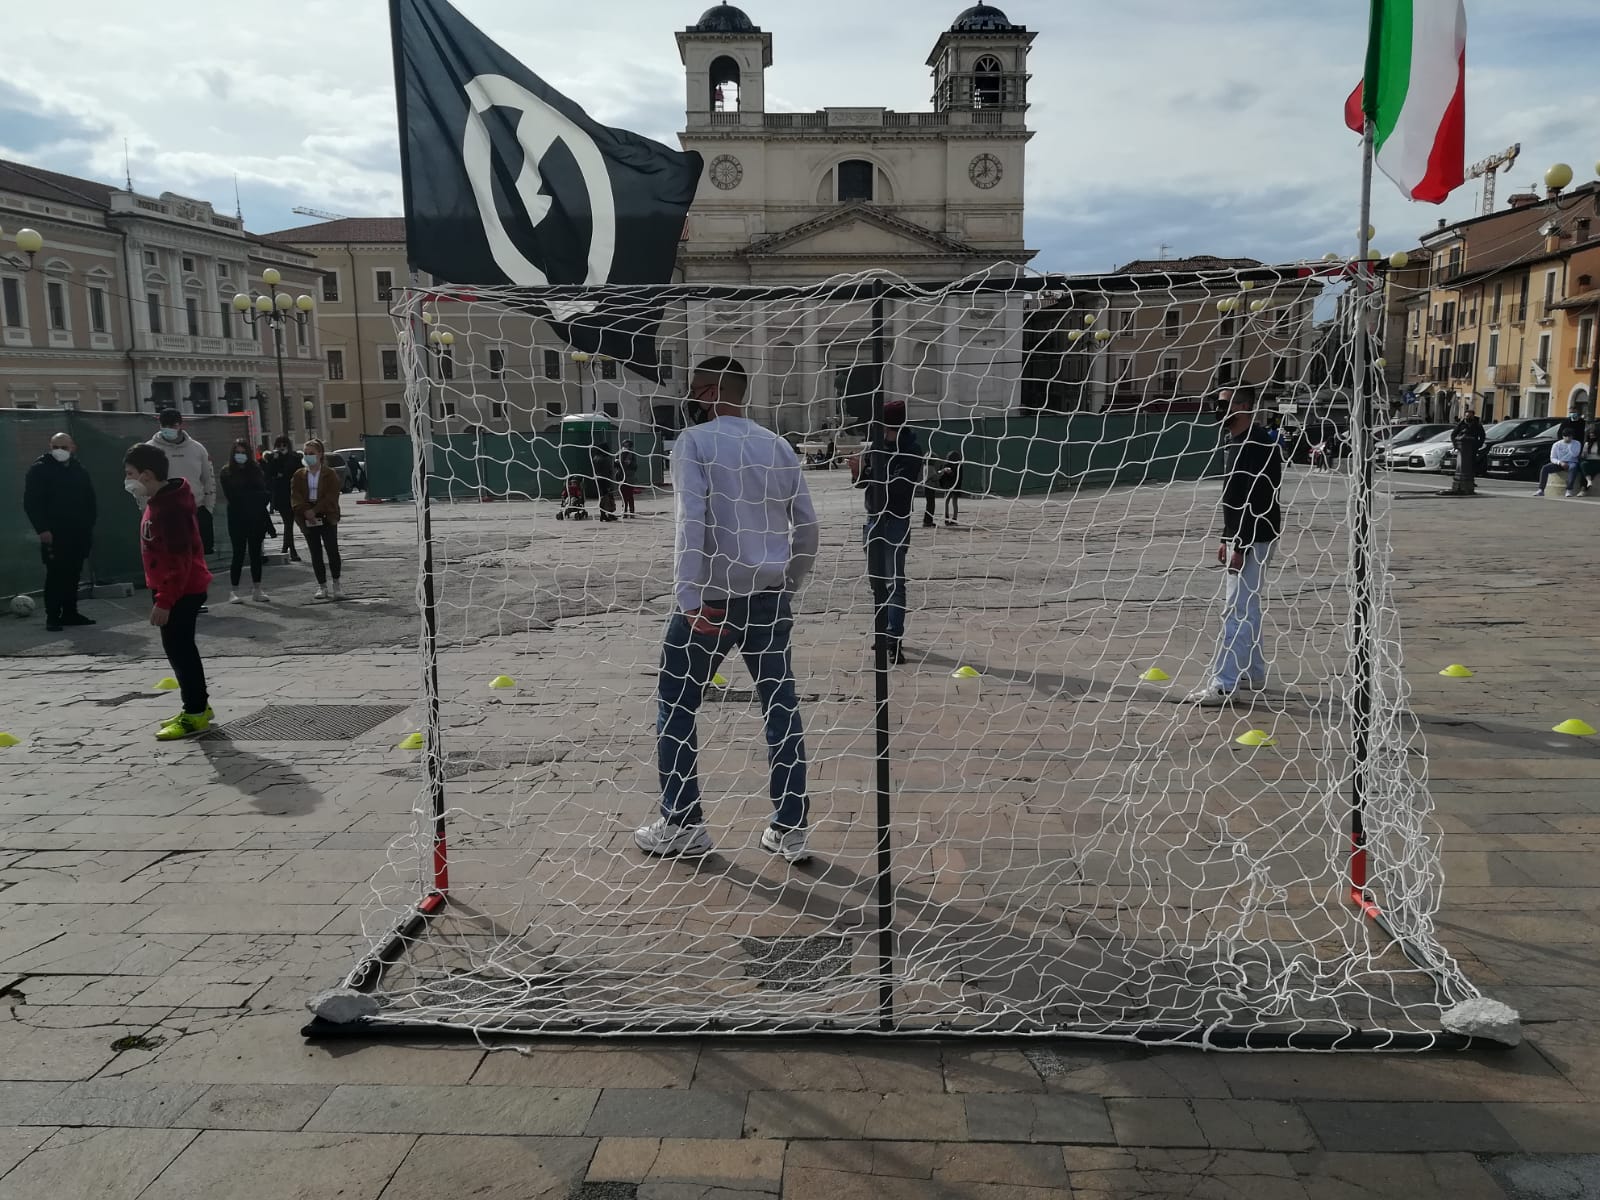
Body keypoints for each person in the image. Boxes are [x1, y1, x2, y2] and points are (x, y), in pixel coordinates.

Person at [634, 356, 820, 865]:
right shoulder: (777, 444)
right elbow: (806, 526)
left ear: (714, 391)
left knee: (676, 703)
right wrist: (789, 581)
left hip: (712, 600)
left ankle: (682, 821)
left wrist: (688, 596)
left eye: (696, 390)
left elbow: (690, 521)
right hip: (768, 597)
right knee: (780, 706)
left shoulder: (695, 442)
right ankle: (791, 827)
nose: (691, 399)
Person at [1188, 389, 1282, 707]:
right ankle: (1252, 673)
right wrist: (1225, 537)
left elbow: (1255, 500)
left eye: (1224, 404)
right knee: (1248, 607)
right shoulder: (1236, 441)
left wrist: (1239, 543)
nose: (1218, 409)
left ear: (1243, 407)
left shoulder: (1256, 444)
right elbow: (1234, 498)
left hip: (1253, 537)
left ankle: (1224, 684)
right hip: (1245, 536)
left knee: (1235, 610)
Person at [123, 443, 213, 741]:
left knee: (180, 649)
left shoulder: (171, 507)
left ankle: (195, 712)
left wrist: (164, 601)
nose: (128, 480)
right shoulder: (159, 500)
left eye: (131, 474)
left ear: (147, 475)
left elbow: (178, 560)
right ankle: (198, 705)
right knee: (179, 648)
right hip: (172, 588)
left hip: (181, 589)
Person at [856, 398, 923, 665]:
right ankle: (882, 632)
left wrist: (871, 473)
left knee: (895, 581)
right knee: (876, 582)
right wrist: (858, 472)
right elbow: (864, 484)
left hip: (895, 521)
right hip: (873, 519)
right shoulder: (875, 447)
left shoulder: (911, 450)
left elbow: (898, 487)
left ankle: (893, 637)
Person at [22, 431, 98, 632]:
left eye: (64, 447)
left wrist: (88, 524)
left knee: (73, 572)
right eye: (56, 447)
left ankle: (70, 613)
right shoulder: (40, 470)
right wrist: (43, 529)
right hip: (55, 532)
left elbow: (90, 499)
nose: (60, 451)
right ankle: (53, 616)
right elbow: (32, 503)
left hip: (78, 531)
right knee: (56, 574)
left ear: (73, 448)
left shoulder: (78, 469)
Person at [147, 409, 216, 556]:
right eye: (165, 425)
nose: (169, 429)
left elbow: (208, 479)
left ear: (180, 425)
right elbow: (142, 484)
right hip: (164, 514)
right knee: (171, 558)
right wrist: (147, 511)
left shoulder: (197, 449)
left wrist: (208, 508)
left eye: (173, 425)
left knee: (197, 559)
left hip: (194, 510)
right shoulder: (150, 450)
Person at [218, 438, 273, 603]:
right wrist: (253, 497)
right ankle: (234, 591)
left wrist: (253, 497)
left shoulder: (256, 470)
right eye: (237, 453)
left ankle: (257, 588)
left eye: (243, 453)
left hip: (256, 518)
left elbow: (264, 494)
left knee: (256, 554)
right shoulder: (226, 472)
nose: (240, 456)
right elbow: (233, 497)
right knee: (238, 554)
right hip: (237, 518)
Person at [291, 439, 343, 600]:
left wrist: (315, 510)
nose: (308, 457)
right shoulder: (299, 475)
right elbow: (296, 495)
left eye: (312, 454)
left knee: (332, 550)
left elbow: (331, 495)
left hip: (326, 515)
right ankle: (322, 586)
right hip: (307, 516)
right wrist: (306, 511)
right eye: (306, 454)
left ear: (320, 454)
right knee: (315, 552)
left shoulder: (330, 474)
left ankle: (336, 584)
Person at [263, 436, 303, 562]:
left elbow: (299, 473)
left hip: (294, 494)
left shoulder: (295, 457)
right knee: (288, 523)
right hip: (281, 496)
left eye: (284, 445)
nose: (282, 447)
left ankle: (287, 549)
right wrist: (274, 461)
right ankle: (291, 551)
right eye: (279, 445)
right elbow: (268, 475)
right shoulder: (273, 458)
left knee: (289, 523)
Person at [923, 443, 964, 529]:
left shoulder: (945, 465)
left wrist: (943, 473)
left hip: (949, 486)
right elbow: (935, 477)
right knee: (933, 504)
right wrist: (944, 472)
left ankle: (946, 518)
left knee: (942, 502)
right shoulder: (930, 467)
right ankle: (930, 521)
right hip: (946, 487)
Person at [1535, 432, 1584, 498]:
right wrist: (1560, 462)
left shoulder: (1577, 443)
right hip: (1560, 462)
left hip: (1572, 462)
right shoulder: (1557, 444)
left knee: (1573, 468)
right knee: (1545, 468)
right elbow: (1552, 458)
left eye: (1569, 437)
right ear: (1563, 436)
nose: (1568, 438)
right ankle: (1541, 489)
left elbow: (1575, 454)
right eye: (1566, 436)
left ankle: (1569, 490)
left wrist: (1569, 445)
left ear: (1572, 437)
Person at [1451, 410, 1486, 488]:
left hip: (1472, 447)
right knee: (1461, 464)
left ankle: (1471, 480)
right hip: (1462, 448)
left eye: (1470, 416)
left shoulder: (1477, 425)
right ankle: (1460, 479)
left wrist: (1479, 444)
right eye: (1466, 416)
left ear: (1473, 416)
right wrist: (1455, 444)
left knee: (1471, 464)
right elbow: (1453, 434)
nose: (1468, 418)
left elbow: (1482, 435)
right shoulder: (1461, 424)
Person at [591, 441, 619, 522]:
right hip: (606, 480)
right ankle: (608, 514)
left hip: (598, 479)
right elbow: (610, 470)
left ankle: (603, 514)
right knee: (609, 498)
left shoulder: (595, 457)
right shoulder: (606, 458)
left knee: (602, 498)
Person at [618, 439, 640, 518]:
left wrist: (630, 463)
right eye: (624, 445)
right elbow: (616, 465)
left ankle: (632, 512)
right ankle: (624, 511)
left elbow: (635, 466)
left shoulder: (632, 454)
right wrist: (617, 462)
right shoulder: (620, 453)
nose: (625, 446)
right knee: (623, 495)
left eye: (627, 445)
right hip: (621, 476)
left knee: (630, 495)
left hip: (629, 477)